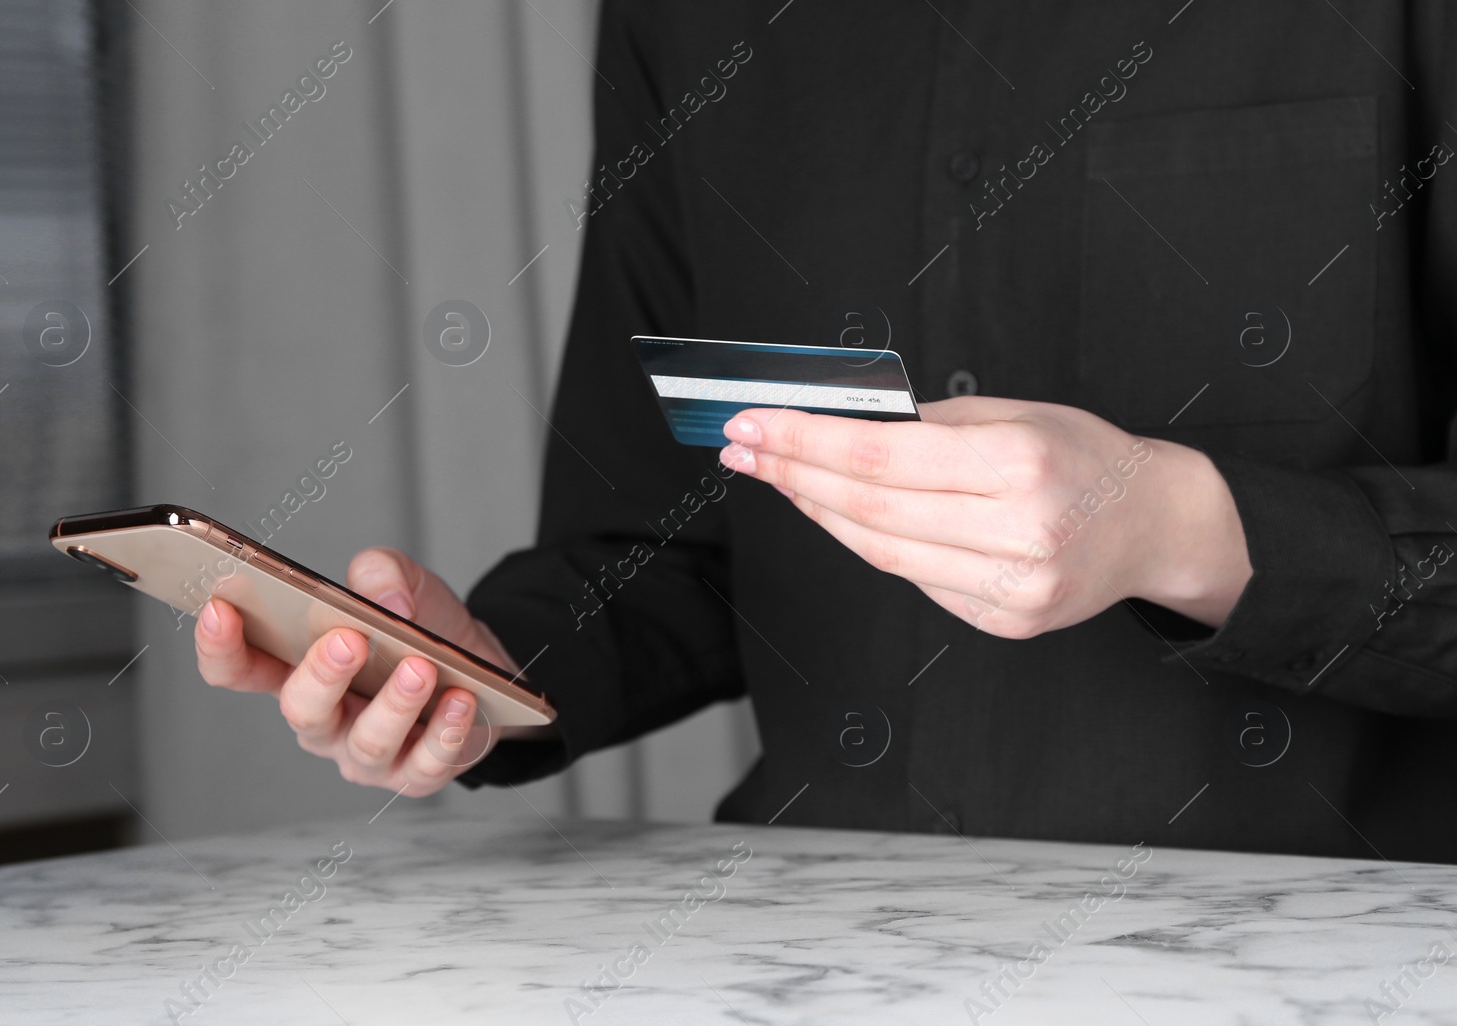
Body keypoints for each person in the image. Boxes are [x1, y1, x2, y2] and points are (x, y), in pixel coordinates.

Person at [196, 1, 1457, 863]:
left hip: (1331, 966)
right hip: (801, 963)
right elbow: (670, 534)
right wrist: (478, 671)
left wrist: (1176, 528)